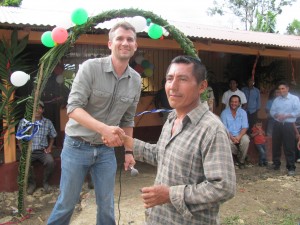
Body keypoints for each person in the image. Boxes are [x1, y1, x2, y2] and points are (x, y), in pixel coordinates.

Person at [112, 55, 236, 225]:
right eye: (169, 79)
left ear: (202, 86)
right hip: (159, 218)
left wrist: (170, 194)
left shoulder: (211, 129)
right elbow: (161, 155)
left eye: (183, 79)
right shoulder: (172, 118)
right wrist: (126, 140)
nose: (173, 86)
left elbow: (224, 188)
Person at [47, 21, 141, 225]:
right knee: (66, 203)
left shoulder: (136, 80)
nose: (125, 43)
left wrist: (128, 152)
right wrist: (104, 129)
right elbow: (73, 108)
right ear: (110, 44)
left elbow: (128, 119)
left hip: (106, 151)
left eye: (130, 39)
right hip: (76, 146)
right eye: (120, 38)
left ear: (135, 46)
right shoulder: (91, 68)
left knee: (106, 205)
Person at [17, 101, 57, 194]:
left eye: (39, 108)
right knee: (24, 163)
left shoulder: (47, 122)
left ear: (42, 110)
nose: (36, 110)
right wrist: (22, 149)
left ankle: (46, 183)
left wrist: (49, 147)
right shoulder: (24, 122)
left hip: (42, 152)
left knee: (50, 161)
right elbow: (18, 137)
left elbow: (53, 136)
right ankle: (32, 184)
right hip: (29, 151)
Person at [270, 80, 300, 176]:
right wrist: (277, 115)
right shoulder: (277, 100)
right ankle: (276, 164)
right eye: (279, 89)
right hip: (277, 124)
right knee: (276, 145)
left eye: (283, 88)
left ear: (287, 89)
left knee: (289, 146)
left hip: (288, 125)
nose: (281, 90)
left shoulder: (294, 99)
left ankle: (291, 167)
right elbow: (272, 111)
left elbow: (298, 112)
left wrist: (286, 116)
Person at [221, 95, 250, 169]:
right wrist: (232, 138)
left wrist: (239, 137)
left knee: (246, 140)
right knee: (227, 143)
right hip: (228, 135)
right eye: (232, 102)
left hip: (240, 134)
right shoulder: (224, 113)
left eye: (236, 102)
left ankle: (241, 161)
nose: (233, 103)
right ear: (229, 102)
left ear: (239, 103)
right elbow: (224, 128)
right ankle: (240, 154)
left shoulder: (243, 112)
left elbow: (245, 127)